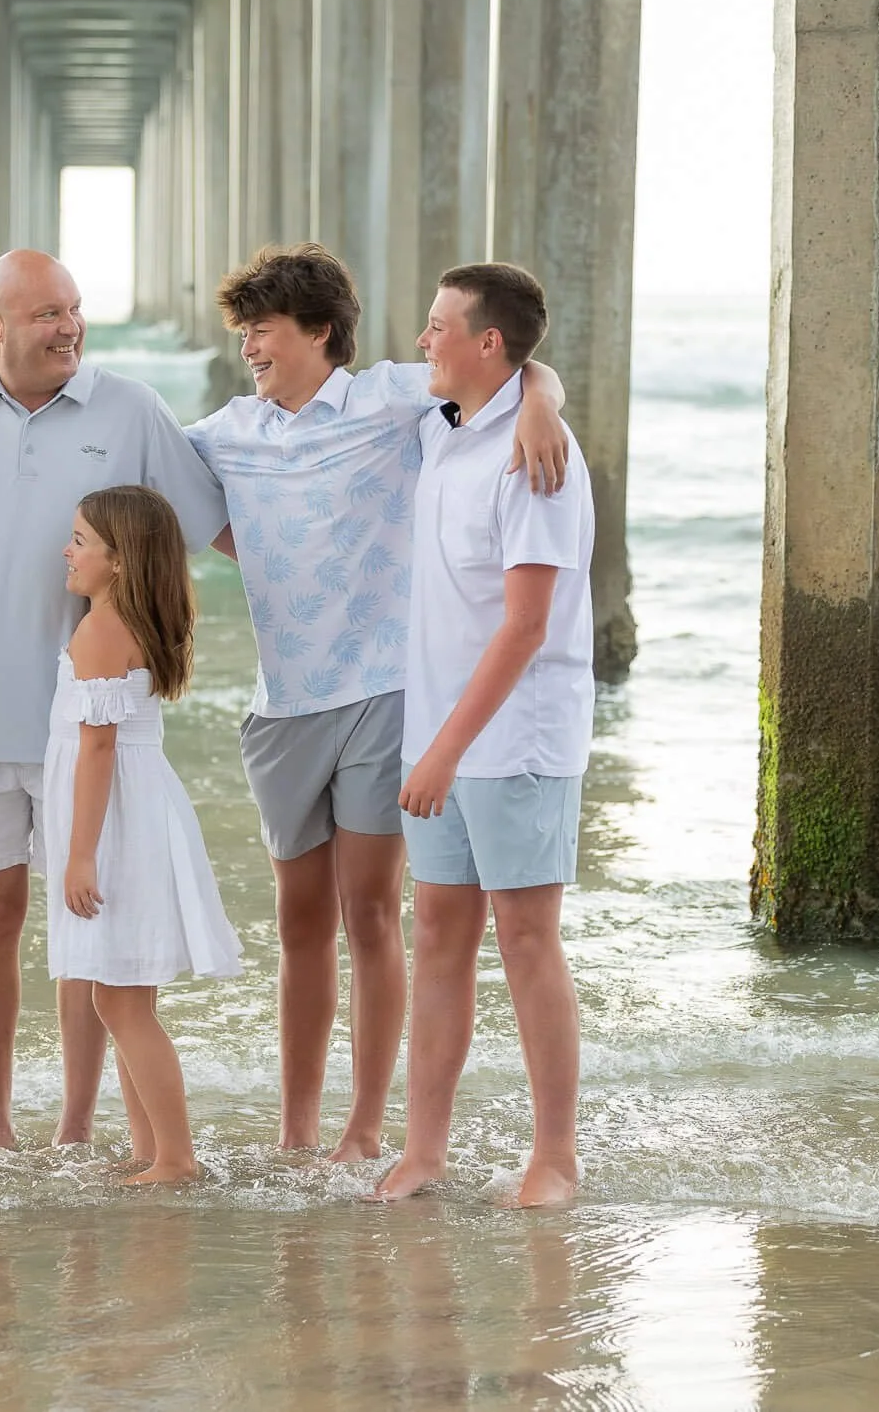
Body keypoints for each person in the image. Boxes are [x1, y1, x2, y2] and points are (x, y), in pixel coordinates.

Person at [183, 244, 567, 1161]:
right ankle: (296, 1128)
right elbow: (144, 464)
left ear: (319, 332)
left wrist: (545, 396)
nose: (249, 347)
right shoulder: (228, 430)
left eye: (263, 329)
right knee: (299, 922)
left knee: (371, 912)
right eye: (242, 332)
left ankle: (363, 1128)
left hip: (385, 690)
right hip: (286, 704)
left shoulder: (394, 399)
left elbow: (503, 365)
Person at [0, 250, 226, 1149]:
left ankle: (76, 1128)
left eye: (74, 309)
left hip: (84, 721)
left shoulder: (130, 408)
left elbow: (212, 522)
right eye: (46, 313)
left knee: (87, 929)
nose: (68, 326)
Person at [373, 262, 593, 1210]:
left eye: (436, 326)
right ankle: (424, 1152)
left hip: (515, 741)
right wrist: (540, 386)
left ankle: (556, 1158)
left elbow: (525, 626)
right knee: (436, 934)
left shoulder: (534, 458)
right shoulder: (443, 427)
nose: (422, 340)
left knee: (527, 939)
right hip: (445, 736)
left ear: (486, 342)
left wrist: (443, 752)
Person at [46, 486, 242, 1183]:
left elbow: (97, 750)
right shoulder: (131, 620)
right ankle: (148, 1149)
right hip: (138, 808)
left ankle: (177, 1156)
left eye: (79, 540)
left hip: (116, 822)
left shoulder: (99, 629)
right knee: (124, 991)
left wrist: (78, 854)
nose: (65, 551)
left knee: (120, 999)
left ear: (119, 560)